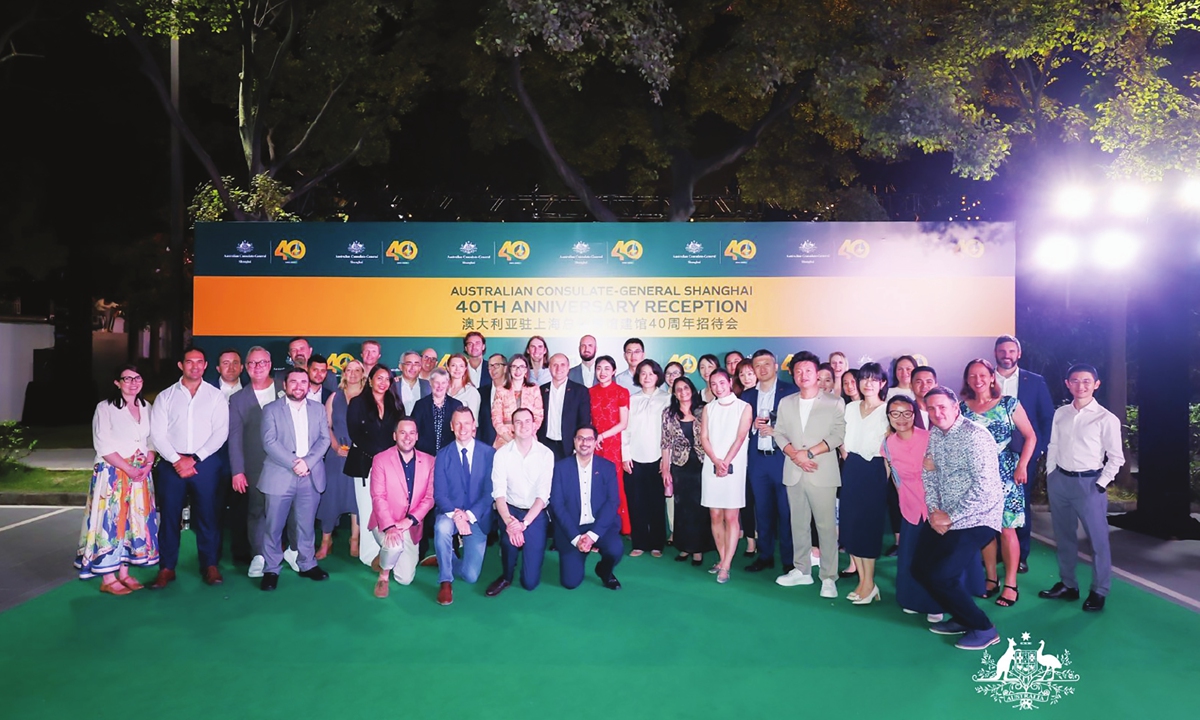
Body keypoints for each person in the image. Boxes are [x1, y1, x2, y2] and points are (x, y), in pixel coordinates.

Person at [915, 387, 1004, 651]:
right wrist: (934, 512)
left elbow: (985, 489)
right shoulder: (935, 435)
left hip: (978, 517)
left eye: (942, 407)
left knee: (942, 576)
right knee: (919, 568)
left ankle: (984, 628)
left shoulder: (975, 437)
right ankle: (963, 617)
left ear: (956, 407)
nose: (937, 413)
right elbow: (928, 474)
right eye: (931, 408)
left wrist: (950, 517)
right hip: (944, 516)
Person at [1039, 364, 1124, 612]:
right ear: (1067, 384)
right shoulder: (1061, 413)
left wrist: (1100, 484)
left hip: (1089, 484)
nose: (1081, 385)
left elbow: (1116, 457)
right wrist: (1051, 475)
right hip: (1060, 481)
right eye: (1075, 381)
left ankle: (1099, 590)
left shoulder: (1106, 418)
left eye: (1086, 381)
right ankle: (1068, 585)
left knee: (1098, 542)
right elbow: (1053, 445)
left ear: (1096, 384)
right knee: (1064, 537)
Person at [149, 347, 229, 589]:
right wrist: (177, 459)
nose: (194, 366)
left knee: (208, 517)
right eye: (189, 362)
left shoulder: (216, 396)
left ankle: (210, 565)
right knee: (170, 518)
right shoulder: (165, 397)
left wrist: (193, 458)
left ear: (205, 366)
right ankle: (166, 568)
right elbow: (157, 434)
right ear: (180, 365)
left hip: (205, 465)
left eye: (199, 362)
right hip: (171, 466)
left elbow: (220, 433)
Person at [75, 364, 159, 594]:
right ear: (117, 382)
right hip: (113, 474)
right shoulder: (106, 408)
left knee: (133, 523)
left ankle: (124, 572)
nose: (133, 383)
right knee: (110, 523)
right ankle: (107, 577)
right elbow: (102, 444)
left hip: (140, 474)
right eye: (127, 378)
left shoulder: (147, 407)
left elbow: (152, 440)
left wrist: (148, 464)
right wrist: (127, 468)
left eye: (137, 378)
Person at [960, 358, 1036, 608]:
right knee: (984, 529)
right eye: (972, 375)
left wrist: (1022, 465)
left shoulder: (1008, 404)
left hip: (1006, 473)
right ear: (967, 379)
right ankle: (991, 578)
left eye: (982, 375)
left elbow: (1030, 436)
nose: (978, 379)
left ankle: (1010, 583)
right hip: (976, 476)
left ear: (992, 377)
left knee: (1007, 529)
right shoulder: (961, 408)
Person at [772, 351, 846, 598]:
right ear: (793, 375)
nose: (803, 375)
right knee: (798, 524)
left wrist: (809, 454)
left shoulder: (834, 402)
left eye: (808, 371)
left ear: (818, 374)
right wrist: (794, 454)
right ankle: (801, 570)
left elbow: (837, 436)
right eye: (798, 371)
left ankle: (828, 577)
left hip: (821, 471)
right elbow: (779, 433)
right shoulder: (786, 402)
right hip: (793, 471)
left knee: (825, 527)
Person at [258, 368, 331, 591]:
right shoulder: (271, 410)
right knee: (273, 525)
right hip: (280, 475)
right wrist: (294, 463)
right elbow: (269, 442)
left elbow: (324, 439)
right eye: (293, 382)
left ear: (308, 386)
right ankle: (271, 568)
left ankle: (307, 563)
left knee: (306, 525)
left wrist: (306, 462)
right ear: (285, 385)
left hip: (310, 475)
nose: (298, 386)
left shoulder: (318, 409)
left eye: (303, 382)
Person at [993, 334, 1055, 574]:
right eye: (1002, 351)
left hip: (1023, 455)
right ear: (995, 353)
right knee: (991, 503)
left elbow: (1047, 418)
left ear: (1018, 354)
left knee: (1020, 505)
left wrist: (1038, 450)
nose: (1006, 355)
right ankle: (994, 551)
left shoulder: (1035, 381)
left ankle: (1021, 555)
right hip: (991, 454)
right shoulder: (985, 380)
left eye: (1011, 351)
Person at [880, 395, 943, 622]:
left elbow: (950, 469)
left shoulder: (930, 437)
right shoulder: (887, 444)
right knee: (909, 557)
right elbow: (894, 478)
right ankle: (912, 600)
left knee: (934, 558)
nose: (901, 418)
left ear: (914, 414)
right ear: (888, 417)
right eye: (895, 413)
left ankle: (936, 604)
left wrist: (935, 466)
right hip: (909, 507)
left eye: (906, 412)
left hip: (935, 506)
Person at [486, 407, 554, 596]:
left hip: (535, 513)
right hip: (510, 511)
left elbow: (543, 496)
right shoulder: (501, 454)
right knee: (509, 542)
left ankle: (527, 558)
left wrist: (523, 524)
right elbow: (498, 494)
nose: (523, 425)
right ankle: (506, 576)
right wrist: (510, 522)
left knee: (529, 583)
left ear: (534, 426)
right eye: (518, 422)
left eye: (527, 421)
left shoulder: (546, 454)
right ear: (512, 428)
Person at [433, 407, 496, 606]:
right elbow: (440, 494)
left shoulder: (489, 454)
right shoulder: (443, 455)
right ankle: (445, 580)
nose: (462, 428)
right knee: (441, 527)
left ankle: (446, 556)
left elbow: (490, 493)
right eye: (457, 423)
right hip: (450, 514)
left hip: (477, 517)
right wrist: (457, 517)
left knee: (470, 576)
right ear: (451, 427)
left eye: (467, 423)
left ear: (474, 426)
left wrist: (468, 515)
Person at [838, 362, 890, 604]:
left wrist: (886, 478)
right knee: (850, 526)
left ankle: (869, 583)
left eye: (874, 379)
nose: (868, 383)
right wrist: (846, 455)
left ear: (882, 384)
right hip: (852, 467)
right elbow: (841, 436)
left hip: (875, 471)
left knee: (868, 529)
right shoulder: (849, 408)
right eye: (864, 378)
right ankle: (862, 581)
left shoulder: (888, 409)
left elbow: (891, 448)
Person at [742, 350, 797, 574]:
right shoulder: (747, 396)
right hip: (758, 461)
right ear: (753, 370)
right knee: (762, 511)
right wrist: (753, 425)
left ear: (776, 366)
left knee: (786, 512)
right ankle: (764, 555)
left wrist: (777, 431)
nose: (762, 368)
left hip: (782, 459)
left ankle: (789, 559)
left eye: (767, 363)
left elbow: (799, 426)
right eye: (757, 365)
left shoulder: (790, 392)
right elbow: (739, 431)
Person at [549, 425, 623, 590]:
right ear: (574, 441)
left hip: (599, 527)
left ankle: (604, 570)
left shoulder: (607, 467)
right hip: (571, 529)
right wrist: (576, 538)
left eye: (589, 439)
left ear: (595, 442)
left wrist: (591, 536)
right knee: (570, 582)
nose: (584, 443)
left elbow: (612, 503)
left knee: (616, 549)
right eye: (580, 438)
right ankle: (579, 553)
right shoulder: (560, 468)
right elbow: (557, 505)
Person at [367, 418, 434, 598]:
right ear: (394, 435)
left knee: (405, 579)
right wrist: (390, 527)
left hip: (410, 526)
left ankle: (384, 558)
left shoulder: (429, 461)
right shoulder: (380, 459)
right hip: (384, 522)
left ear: (417, 436)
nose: (407, 437)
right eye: (402, 433)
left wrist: (410, 520)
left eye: (412, 433)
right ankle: (383, 575)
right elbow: (378, 497)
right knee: (394, 546)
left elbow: (429, 498)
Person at [346, 364, 404, 566]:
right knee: (367, 508)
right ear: (370, 380)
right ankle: (369, 555)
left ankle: (385, 548)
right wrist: (380, 455)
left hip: (389, 466)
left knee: (384, 507)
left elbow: (399, 433)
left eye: (387, 379)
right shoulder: (357, 403)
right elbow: (355, 433)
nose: (383, 383)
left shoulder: (396, 404)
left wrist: (388, 457)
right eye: (379, 378)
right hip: (364, 463)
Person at [228, 346, 279, 578]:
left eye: (262, 363)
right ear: (246, 367)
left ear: (270, 364)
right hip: (255, 465)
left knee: (286, 512)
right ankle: (258, 556)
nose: (257, 367)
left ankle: (287, 552)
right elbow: (235, 437)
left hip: (287, 465)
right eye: (252, 363)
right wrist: (237, 471)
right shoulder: (238, 399)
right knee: (257, 511)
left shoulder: (286, 388)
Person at [699, 369, 752, 584]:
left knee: (731, 517)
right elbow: (704, 437)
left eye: (722, 382)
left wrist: (726, 462)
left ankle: (727, 564)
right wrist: (715, 460)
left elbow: (740, 438)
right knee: (715, 515)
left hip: (734, 466)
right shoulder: (708, 408)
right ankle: (721, 559)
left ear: (730, 382)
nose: (718, 387)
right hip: (711, 465)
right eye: (714, 384)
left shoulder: (744, 407)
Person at [661, 377, 715, 565]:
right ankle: (684, 547)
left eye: (686, 387)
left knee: (700, 508)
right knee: (682, 508)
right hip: (680, 467)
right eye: (678, 389)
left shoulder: (704, 410)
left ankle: (698, 549)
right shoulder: (668, 414)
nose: (683, 392)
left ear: (692, 389)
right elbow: (666, 443)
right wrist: (666, 469)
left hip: (702, 464)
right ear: (674, 393)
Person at [316, 358, 365, 561]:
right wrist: (335, 445)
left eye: (357, 370)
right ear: (343, 373)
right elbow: (326, 426)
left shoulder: (369, 397)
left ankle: (355, 540)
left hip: (360, 455)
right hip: (337, 455)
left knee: (357, 499)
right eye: (348, 370)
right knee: (331, 497)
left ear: (363, 374)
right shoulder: (334, 397)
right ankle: (326, 540)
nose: (352, 374)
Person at [625, 359, 670, 557]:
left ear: (657, 376)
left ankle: (657, 543)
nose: (647, 377)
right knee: (636, 502)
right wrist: (625, 456)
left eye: (651, 373)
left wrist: (665, 459)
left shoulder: (667, 398)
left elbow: (669, 432)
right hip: (635, 458)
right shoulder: (631, 399)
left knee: (656, 502)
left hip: (658, 458)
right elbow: (624, 430)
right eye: (643, 373)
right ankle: (639, 542)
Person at [589, 355, 631, 534]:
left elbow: (623, 423)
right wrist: (593, 438)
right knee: (596, 486)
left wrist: (602, 436)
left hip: (613, 445)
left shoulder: (622, 392)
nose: (602, 372)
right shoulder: (589, 392)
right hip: (594, 445)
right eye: (599, 368)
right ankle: (597, 529)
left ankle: (619, 527)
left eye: (607, 368)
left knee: (615, 486)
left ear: (614, 371)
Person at [538, 352, 592, 461]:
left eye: (562, 365)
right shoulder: (541, 390)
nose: (559, 368)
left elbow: (584, 421)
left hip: (569, 447)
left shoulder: (580, 391)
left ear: (568, 368)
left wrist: (578, 446)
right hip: (544, 445)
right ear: (549, 367)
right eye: (555, 365)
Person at [491, 353, 544, 448]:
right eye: (514, 366)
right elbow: (496, 418)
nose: (518, 370)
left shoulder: (534, 389)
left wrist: (526, 434)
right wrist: (510, 440)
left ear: (526, 370)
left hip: (528, 437)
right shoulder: (500, 390)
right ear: (509, 369)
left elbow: (538, 416)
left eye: (521, 367)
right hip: (505, 439)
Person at [412, 368, 463, 458]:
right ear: (430, 383)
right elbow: (414, 430)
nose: (440, 386)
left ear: (448, 384)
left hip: (450, 456)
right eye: (436, 382)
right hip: (425, 456)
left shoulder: (456, 405)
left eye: (443, 383)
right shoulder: (420, 405)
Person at [477, 353, 507, 446]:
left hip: (509, 444)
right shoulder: (480, 392)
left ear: (505, 368)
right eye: (490, 366)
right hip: (487, 445)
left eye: (497, 365)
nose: (493, 369)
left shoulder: (515, 390)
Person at [392, 351, 431, 416]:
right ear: (400, 366)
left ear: (420, 368)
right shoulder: (392, 386)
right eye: (408, 364)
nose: (412, 368)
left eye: (416, 364)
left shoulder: (428, 386)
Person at [447, 353, 481, 419]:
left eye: (461, 366)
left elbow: (474, 420)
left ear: (465, 368)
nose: (457, 369)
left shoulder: (472, 392)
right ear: (448, 368)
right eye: (453, 365)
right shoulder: (441, 390)